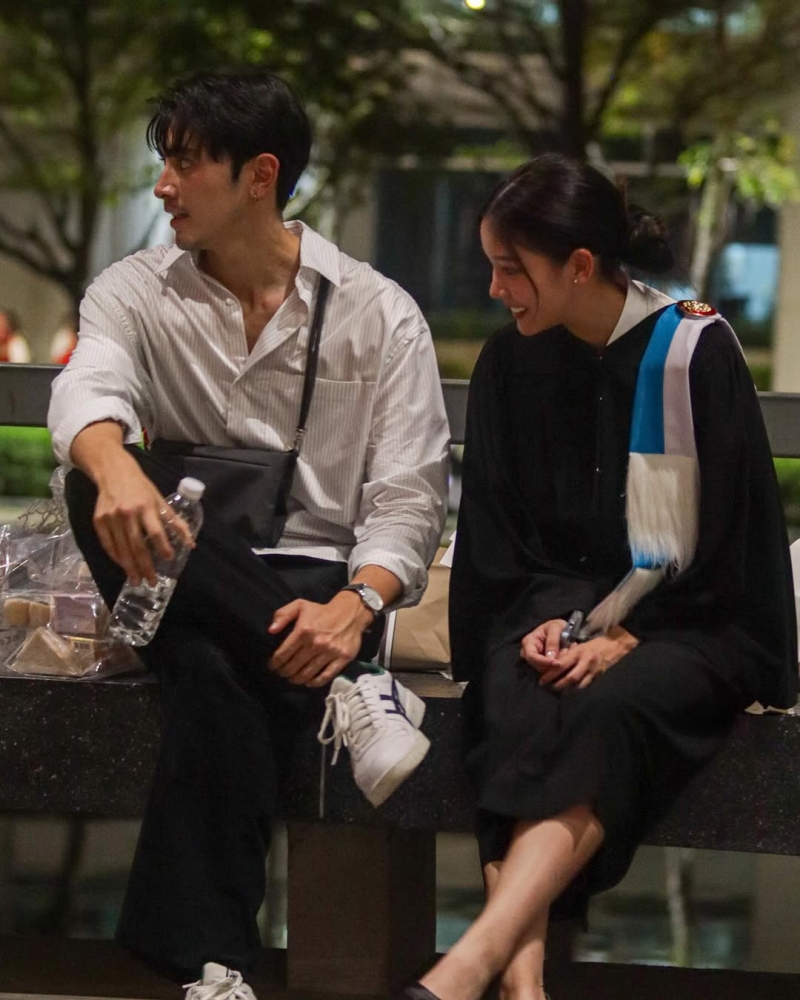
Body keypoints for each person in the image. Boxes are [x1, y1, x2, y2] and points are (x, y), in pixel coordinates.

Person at [48, 69, 449, 1000]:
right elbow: (87, 387)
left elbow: (408, 498)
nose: (163, 187)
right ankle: (354, 692)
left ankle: (214, 967)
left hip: (315, 579)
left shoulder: (379, 314)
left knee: (210, 670)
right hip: (170, 558)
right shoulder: (133, 290)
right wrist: (115, 468)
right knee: (93, 474)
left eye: (186, 164)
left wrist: (357, 606)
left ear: (260, 175)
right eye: (164, 162)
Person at [400, 154, 798, 1000]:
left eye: (512, 268)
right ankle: (522, 984)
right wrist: (544, 621)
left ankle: (469, 968)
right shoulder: (510, 362)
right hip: (553, 610)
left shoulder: (692, 353)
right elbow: (503, 537)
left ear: (579, 265)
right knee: (513, 690)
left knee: (601, 709)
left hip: (694, 621)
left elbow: (731, 543)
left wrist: (627, 636)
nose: (495, 289)